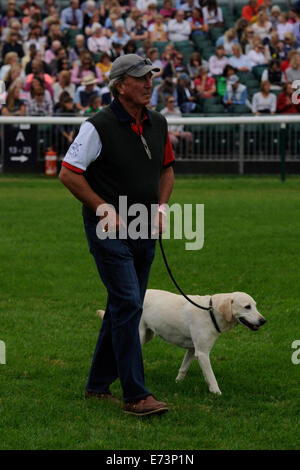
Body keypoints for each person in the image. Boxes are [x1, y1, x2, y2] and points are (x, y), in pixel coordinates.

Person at [59, 54, 174, 417]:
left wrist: (162, 207)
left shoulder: (159, 122)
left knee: (122, 307)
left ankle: (96, 386)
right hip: (108, 227)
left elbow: (167, 170)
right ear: (120, 84)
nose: (148, 83)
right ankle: (135, 395)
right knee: (128, 305)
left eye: (150, 77)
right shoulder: (98, 126)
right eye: (140, 78)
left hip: (144, 225)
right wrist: (102, 207)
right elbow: (69, 173)